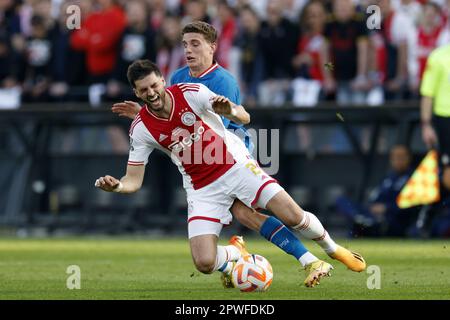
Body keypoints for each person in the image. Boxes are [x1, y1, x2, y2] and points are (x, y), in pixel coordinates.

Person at [111, 22, 366, 286]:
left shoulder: (221, 81)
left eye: (195, 44)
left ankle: (328, 251)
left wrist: (229, 113)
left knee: (274, 214)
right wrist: (145, 116)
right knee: (237, 226)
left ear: (212, 47)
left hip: (232, 156)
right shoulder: (177, 78)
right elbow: (168, 122)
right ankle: (287, 259)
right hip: (200, 174)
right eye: (185, 44)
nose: (188, 50)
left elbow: (235, 123)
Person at [336, 144, 418, 237]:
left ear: (409, 158)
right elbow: (375, 196)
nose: (397, 160)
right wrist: (372, 206)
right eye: (394, 157)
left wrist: (386, 208)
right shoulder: (389, 177)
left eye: (401, 157)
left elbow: (411, 205)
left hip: (391, 219)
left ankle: (365, 222)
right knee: (341, 200)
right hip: (373, 214)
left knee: (369, 224)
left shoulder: (414, 178)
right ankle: (361, 219)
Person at [420, 43, 450, 199]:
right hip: (446, 118)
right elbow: (427, 92)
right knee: (447, 170)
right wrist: (426, 125)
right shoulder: (439, 57)